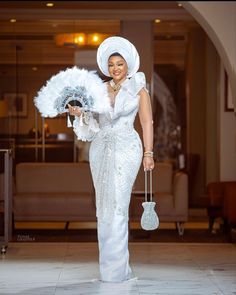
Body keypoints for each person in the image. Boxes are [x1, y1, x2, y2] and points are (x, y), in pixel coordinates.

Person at [68, 36, 154, 282]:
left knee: (119, 203)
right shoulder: (99, 90)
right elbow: (94, 124)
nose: (115, 68)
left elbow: (147, 122)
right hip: (101, 148)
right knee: (104, 205)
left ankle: (117, 271)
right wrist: (80, 113)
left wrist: (149, 153)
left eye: (120, 63)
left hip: (127, 147)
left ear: (128, 64)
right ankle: (109, 270)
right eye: (112, 64)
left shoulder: (138, 88)